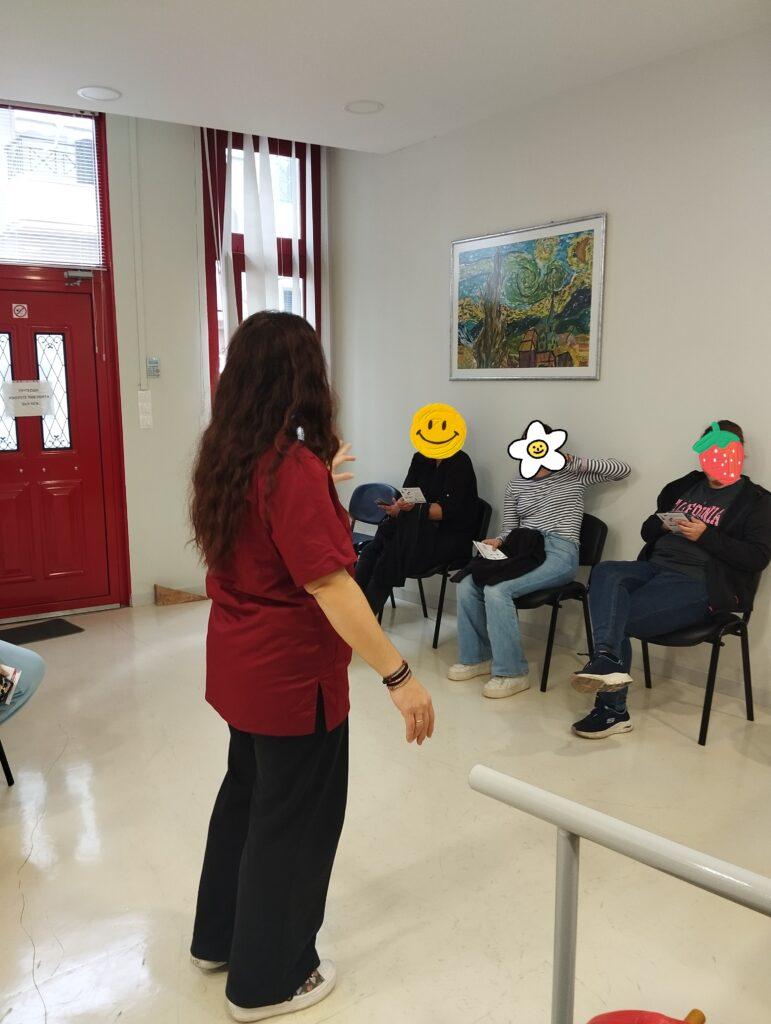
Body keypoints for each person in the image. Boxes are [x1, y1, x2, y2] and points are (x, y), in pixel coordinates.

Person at [188, 312, 434, 1023]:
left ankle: (219, 940)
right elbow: (330, 585)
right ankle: (268, 981)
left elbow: (268, 544)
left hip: (240, 666)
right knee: (292, 825)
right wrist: (399, 675)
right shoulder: (288, 469)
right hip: (292, 680)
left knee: (246, 800)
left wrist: (317, 479)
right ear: (303, 380)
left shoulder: (228, 454)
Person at [571, 420, 771, 739]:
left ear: (740, 454)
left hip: (701, 584)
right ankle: (607, 660)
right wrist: (663, 525)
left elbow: (757, 557)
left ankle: (612, 709)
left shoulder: (757, 500)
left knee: (616, 616)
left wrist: (706, 535)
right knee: (605, 571)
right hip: (655, 569)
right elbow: (647, 530)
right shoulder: (684, 486)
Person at [449, 436, 630, 698]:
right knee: (467, 582)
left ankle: (513, 673)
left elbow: (621, 470)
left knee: (498, 590)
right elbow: (510, 528)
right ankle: (477, 657)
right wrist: (498, 541)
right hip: (522, 549)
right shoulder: (516, 484)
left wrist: (574, 462)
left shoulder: (572, 474)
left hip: (560, 551)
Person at [355, 448, 478, 616]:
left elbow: (444, 511)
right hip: (417, 530)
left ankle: (363, 619)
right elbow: (407, 496)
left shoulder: (460, 461)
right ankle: (351, 612)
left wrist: (410, 510)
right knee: (370, 551)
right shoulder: (420, 458)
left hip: (449, 536)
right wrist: (399, 506)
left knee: (390, 558)